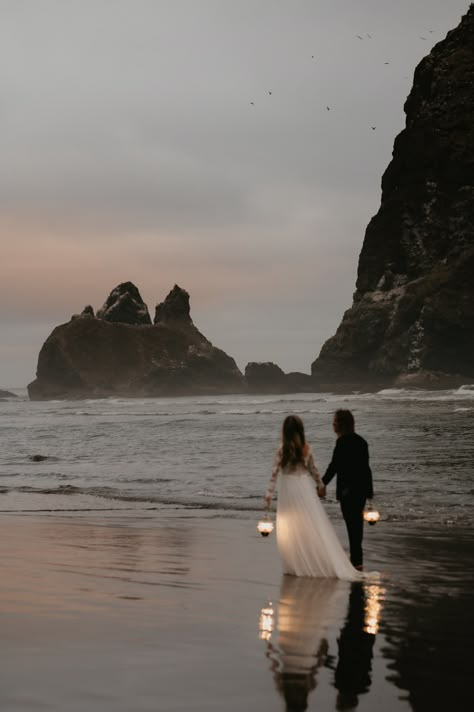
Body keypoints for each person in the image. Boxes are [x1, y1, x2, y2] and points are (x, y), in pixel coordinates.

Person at [265, 415, 359, 579]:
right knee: (310, 524)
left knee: (289, 527)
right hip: (303, 488)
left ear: (285, 432)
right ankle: (310, 560)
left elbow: (274, 474)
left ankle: (296, 564)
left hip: (288, 490)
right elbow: (313, 470)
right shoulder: (306, 448)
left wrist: (268, 494)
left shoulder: (282, 450)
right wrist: (321, 486)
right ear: (301, 430)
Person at [321, 410, 373, 571]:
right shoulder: (362, 442)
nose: (333, 424)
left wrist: (321, 483)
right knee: (356, 526)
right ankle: (357, 560)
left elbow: (334, 466)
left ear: (341, 424)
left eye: (335, 421)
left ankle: (356, 562)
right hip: (361, 490)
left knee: (352, 525)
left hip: (347, 491)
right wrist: (369, 492)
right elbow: (366, 469)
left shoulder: (342, 442)